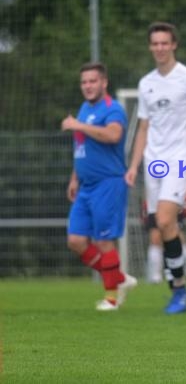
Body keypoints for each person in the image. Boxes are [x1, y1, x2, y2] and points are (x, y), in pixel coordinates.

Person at [125, 22, 186, 314]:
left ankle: (178, 290)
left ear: (174, 45)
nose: (159, 48)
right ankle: (179, 287)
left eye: (164, 43)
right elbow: (143, 127)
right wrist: (132, 166)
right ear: (150, 47)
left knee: (166, 219)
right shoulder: (146, 83)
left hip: (180, 160)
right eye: (154, 43)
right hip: (152, 162)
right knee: (163, 225)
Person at [62, 62, 137, 312]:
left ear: (104, 82)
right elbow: (82, 148)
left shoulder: (112, 109)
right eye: (84, 82)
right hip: (86, 186)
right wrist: (75, 178)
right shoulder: (85, 108)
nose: (87, 86)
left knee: (104, 241)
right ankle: (119, 278)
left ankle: (112, 298)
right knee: (75, 240)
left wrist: (78, 125)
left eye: (92, 81)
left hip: (108, 184)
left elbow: (113, 135)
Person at [144, 182, 186, 284]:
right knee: (155, 237)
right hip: (155, 200)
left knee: (177, 234)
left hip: (173, 197)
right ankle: (155, 276)